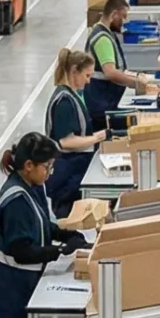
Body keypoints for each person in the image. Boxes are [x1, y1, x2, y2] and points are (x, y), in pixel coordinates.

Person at [0, 133, 77, 318]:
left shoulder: (32, 186)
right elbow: (21, 251)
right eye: (47, 167)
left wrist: (64, 233)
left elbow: (40, 224)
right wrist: (59, 251)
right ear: (29, 165)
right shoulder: (15, 198)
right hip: (7, 295)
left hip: (20, 290)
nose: (50, 173)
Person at [45, 49, 105, 217]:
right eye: (87, 76)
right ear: (74, 71)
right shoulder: (64, 101)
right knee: (68, 224)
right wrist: (96, 138)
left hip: (74, 172)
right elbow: (66, 141)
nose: (88, 82)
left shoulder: (72, 95)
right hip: (66, 175)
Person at [80, 0, 156, 127]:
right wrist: (137, 83)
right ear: (114, 14)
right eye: (123, 17)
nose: (124, 21)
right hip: (102, 105)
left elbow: (119, 69)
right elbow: (110, 73)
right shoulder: (102, 38)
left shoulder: (107, 34)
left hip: (106, 101)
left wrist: (140, 77)